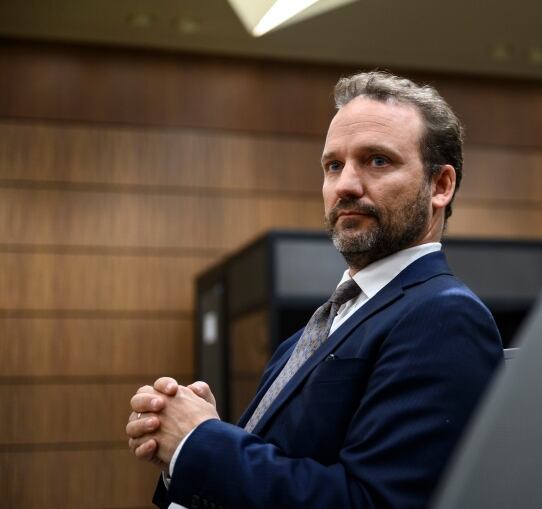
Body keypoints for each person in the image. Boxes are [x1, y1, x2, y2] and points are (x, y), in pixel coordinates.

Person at [126, 71, 503, 509]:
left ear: (440, 186)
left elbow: (371, 502)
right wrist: (200, 438)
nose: (345, 184)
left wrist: (200, 443)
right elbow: (286, 463)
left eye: (377, 160)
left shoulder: (444, 316)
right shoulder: (318, 327)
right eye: (333, 165)